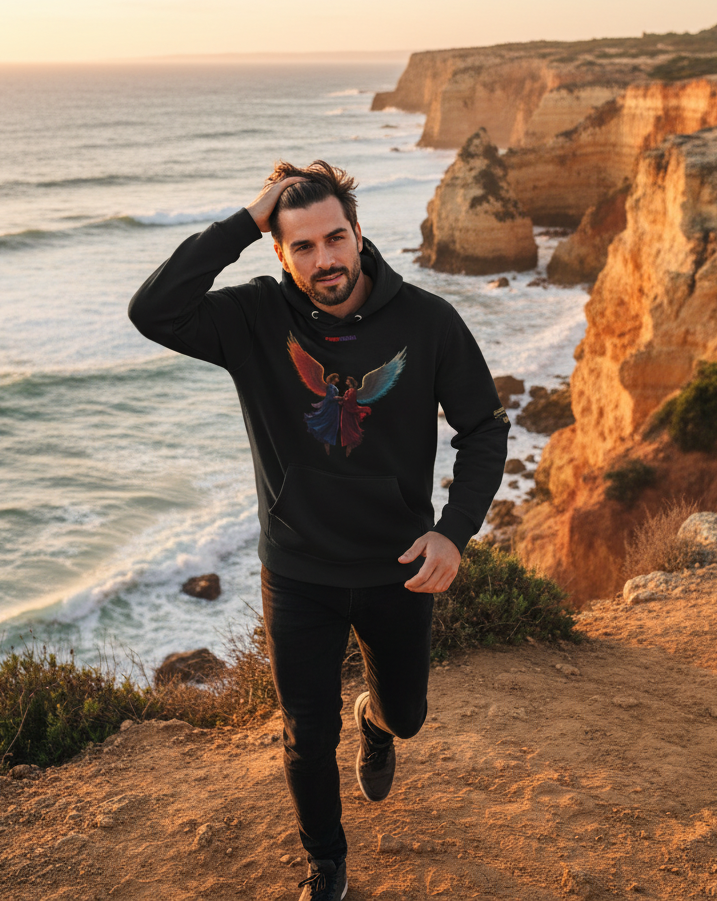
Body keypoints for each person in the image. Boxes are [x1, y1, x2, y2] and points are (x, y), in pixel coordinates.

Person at [128, 159, 508, 899]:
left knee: (409, 714)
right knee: (306, 732)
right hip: (298, 569)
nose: (324, 259)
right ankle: (326, 864)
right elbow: (155, 310)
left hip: (398, 565)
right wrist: (245, 219)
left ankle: (377, 721)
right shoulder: (252, 319)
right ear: (279, 253)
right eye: (302, 245)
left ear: (360, 236)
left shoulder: (427, 321)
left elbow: (484, 431)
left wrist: (454, 532)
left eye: (336, 238)